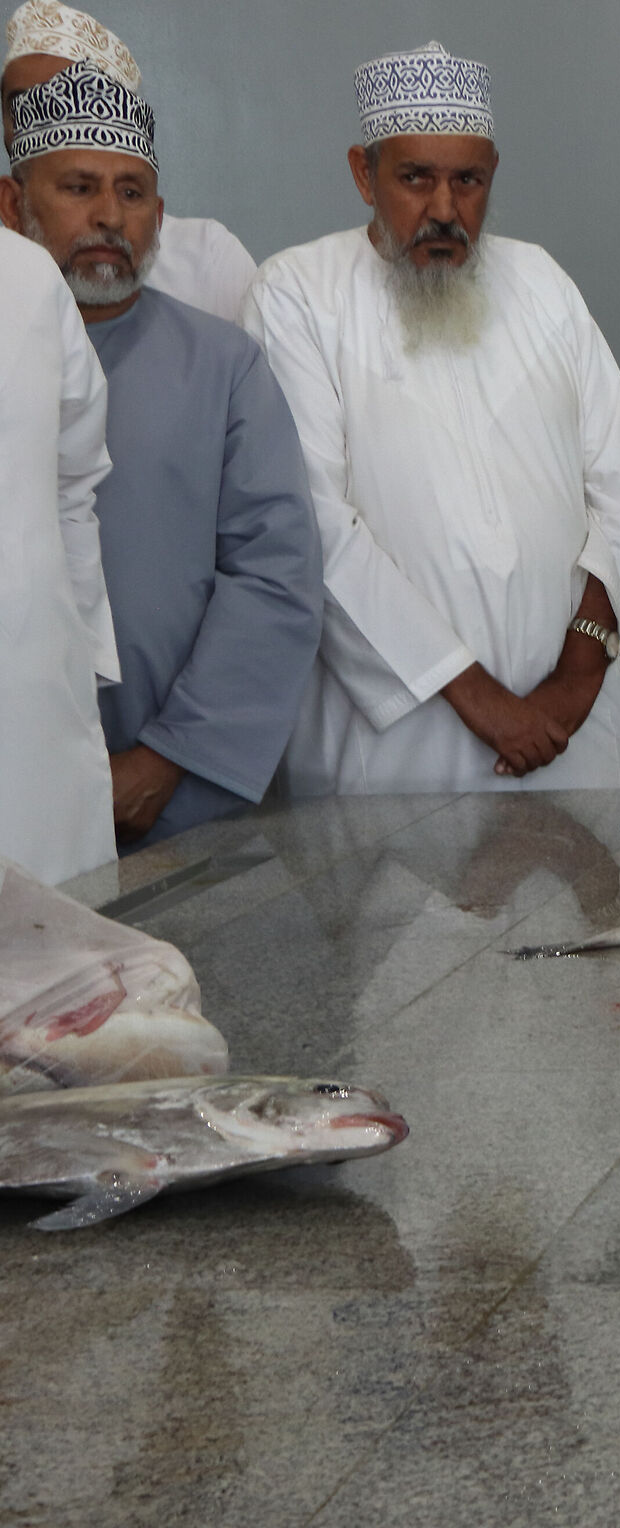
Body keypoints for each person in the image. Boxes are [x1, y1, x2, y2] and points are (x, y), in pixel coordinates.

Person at [244, 41, 620, 795]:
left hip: (575, 738)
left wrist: (574, 679)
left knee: (593, 909)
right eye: (415, 178)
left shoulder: (543, 284)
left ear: (491, 174)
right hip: (401, 753)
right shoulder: (297, 293)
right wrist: (485, 702)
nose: (443, 209)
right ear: (362, 173)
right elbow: (315, 528)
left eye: (467, 180)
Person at [2, 63, 321, 847]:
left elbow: (276, 571)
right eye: (78, 187)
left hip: (181, 802)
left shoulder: (224, 364)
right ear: (13, 205)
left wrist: (167, 757)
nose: (110, 215)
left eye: (132, 193)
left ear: (159, 215)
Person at [2, 1, 256, 320]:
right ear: (9, 204)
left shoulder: (207, 257)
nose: (33, 122)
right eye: (18, 106)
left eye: (63, 100)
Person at [0, 222, 113, 883]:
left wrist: (80, 667)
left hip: (35, 717)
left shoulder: (28, 274)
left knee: (58, 961)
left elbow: (76, 483)